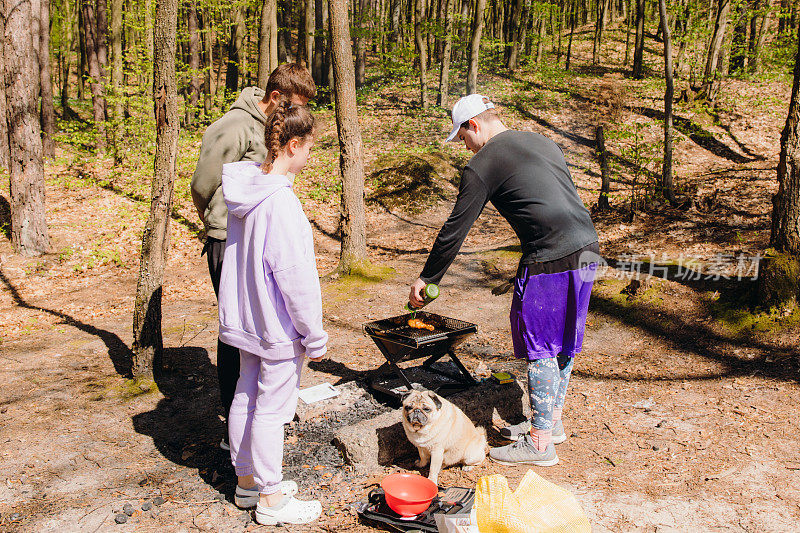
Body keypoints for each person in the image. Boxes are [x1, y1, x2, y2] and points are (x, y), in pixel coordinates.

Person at [408, 94, 600, 467]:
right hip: (587, 247)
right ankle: (551, 425)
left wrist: (427, 277)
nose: (464, 146)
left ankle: (540, 445)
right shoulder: (541, 141)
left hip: (550, 256)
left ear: (474, 124)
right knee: (563, 342)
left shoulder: (483, 163)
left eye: (462, 136)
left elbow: (454, 230)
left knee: (541, 345)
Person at [191, 63, 316, 450]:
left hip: (260, 239)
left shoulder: (275, 131)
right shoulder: (233, 126)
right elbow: (203, 183)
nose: (296, 118)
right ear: (275, 98)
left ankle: (264, 417)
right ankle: (239, 424)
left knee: (266, 331)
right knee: (239, 334)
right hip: (229, 240)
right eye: (292, 106)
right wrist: (218, 223)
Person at [217, 101, 327, 525]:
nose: (310, 156)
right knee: (272, 410)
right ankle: (271, 498)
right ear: (293, 145)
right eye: (309, 148)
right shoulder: (280, 203)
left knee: (245, 394)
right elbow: (295, 278)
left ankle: (247, 481)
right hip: (275, 326)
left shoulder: (247, 187)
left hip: (245, 320)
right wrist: (313, 334)